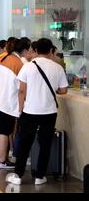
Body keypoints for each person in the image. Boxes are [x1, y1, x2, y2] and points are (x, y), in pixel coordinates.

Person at [6, 38, 68, 186]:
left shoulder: (28, 67)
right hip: (49, 111)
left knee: (25, 145)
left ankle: (18, 176)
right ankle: (40, 177)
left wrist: (20, 109)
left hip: (30, 111)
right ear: (51, 51)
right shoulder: (57, 67)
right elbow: (64, 90)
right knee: (45, 144)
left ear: (35, 50)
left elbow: (21, 90)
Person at [0, 38, 31, 170]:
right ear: (24, 50)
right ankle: (2, 161)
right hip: (6, 101)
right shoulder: (20, 64)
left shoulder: (1, 57)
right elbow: (21, 88)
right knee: (4, 130)